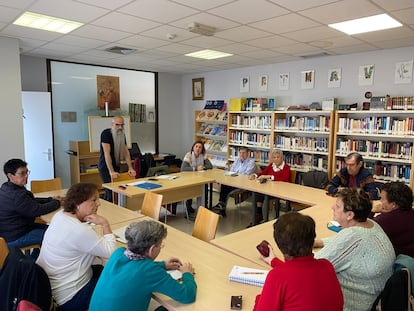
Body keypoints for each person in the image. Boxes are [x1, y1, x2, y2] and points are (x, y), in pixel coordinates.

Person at [36, 183, 116, 311]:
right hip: (69, 299)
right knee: (117, 277)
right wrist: (105, 224)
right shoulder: (79, 231)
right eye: (94, 200)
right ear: (78, 203)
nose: (98, 203)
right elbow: (111, 252)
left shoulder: (60, 216)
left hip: (50, 289)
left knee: (104, 269)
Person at [314, 188, 395, 311]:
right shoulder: (371, 224)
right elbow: (341, 245)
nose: (332, 207)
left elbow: (313, 267)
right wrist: (319, 242)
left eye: (337, 206)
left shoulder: (352, 237)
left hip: (355, 305)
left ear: (350, 215)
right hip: (376, 295)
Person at [89, 220, 197, 311]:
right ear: (151, 249)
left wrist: (163, 264)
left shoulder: (119, 253)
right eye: (160, 246)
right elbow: (187, 295)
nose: (160, 248)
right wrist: (187, 274)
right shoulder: (150, 271)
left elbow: (135, 267)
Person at [253, 212, 343, 311]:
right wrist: (273, 261)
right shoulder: (326, 266)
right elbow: (300, 273)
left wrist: (259, 299)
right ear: (312, 240)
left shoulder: (277, 277)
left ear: (279, 244)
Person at [0, 159, 61, 255]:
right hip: (15, 236)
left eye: (27, 172)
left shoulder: (6, 187)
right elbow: (37, 210)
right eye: (22, 173)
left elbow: (30, 202)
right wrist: (57, 202)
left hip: (14, 231)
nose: (26, 176)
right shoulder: (16, 195)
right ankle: (36, 263)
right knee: (55, 236)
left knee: (54, 229)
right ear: (10, 176)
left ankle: (38, 257)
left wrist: (50, 199)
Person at [370, 181, 414, 257]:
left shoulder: (385, 220)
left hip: (398, 262)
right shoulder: (410, 213)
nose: (380, 201)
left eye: (382, 199)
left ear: (393, 204)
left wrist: (372, 210)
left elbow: (362, 231)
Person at [248, 149, 290, 226]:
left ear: (282, 158)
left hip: (280, 191)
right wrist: (255, 175)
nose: (276, 159)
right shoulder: (271, 165)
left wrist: (270, 176)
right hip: (270, 189)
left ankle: (265, 220)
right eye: (274, 157)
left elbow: (284, 179)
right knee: (256, 193)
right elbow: (263, 173)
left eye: (278, 157)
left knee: (265, 196)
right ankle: (258, 215)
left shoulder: (286, 167)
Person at [98, 116, 136, 201]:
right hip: (106, 167)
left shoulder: (122, 135)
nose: (120, 127)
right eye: (117, 125)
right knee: (110, 192)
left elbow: (126, 152)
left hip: (116, 165)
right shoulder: (106, 134)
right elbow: (106, 153)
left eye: (122, 125)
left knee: (117, 192)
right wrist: (111, 171)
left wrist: (130, 168)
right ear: (112, 124)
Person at [211, 147, 256, 217]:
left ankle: (221, 206)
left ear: (248, 153)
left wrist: (236, 174)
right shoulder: (237, 160)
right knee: (224, 184)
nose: (241, 155)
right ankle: (221, 205)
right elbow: (231, 170)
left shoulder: (251, 162)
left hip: (243, 184)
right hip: (233, 181)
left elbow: (246, 175)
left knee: (225, 188)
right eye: (240, 153)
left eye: (243, 153)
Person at [180, 141, 213, 219]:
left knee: (203, 187)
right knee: (190, 190)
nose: (198, 149)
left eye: (200, 147)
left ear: (202, 149)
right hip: (188, 178)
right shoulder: (189, 155)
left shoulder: (203, 155)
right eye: (196, 146)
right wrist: (195, 168)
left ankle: (204, 206)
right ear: (193, 147)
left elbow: (210, 166)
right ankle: (188, 207)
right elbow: (183, 168)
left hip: (199, 178)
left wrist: (203, 167)